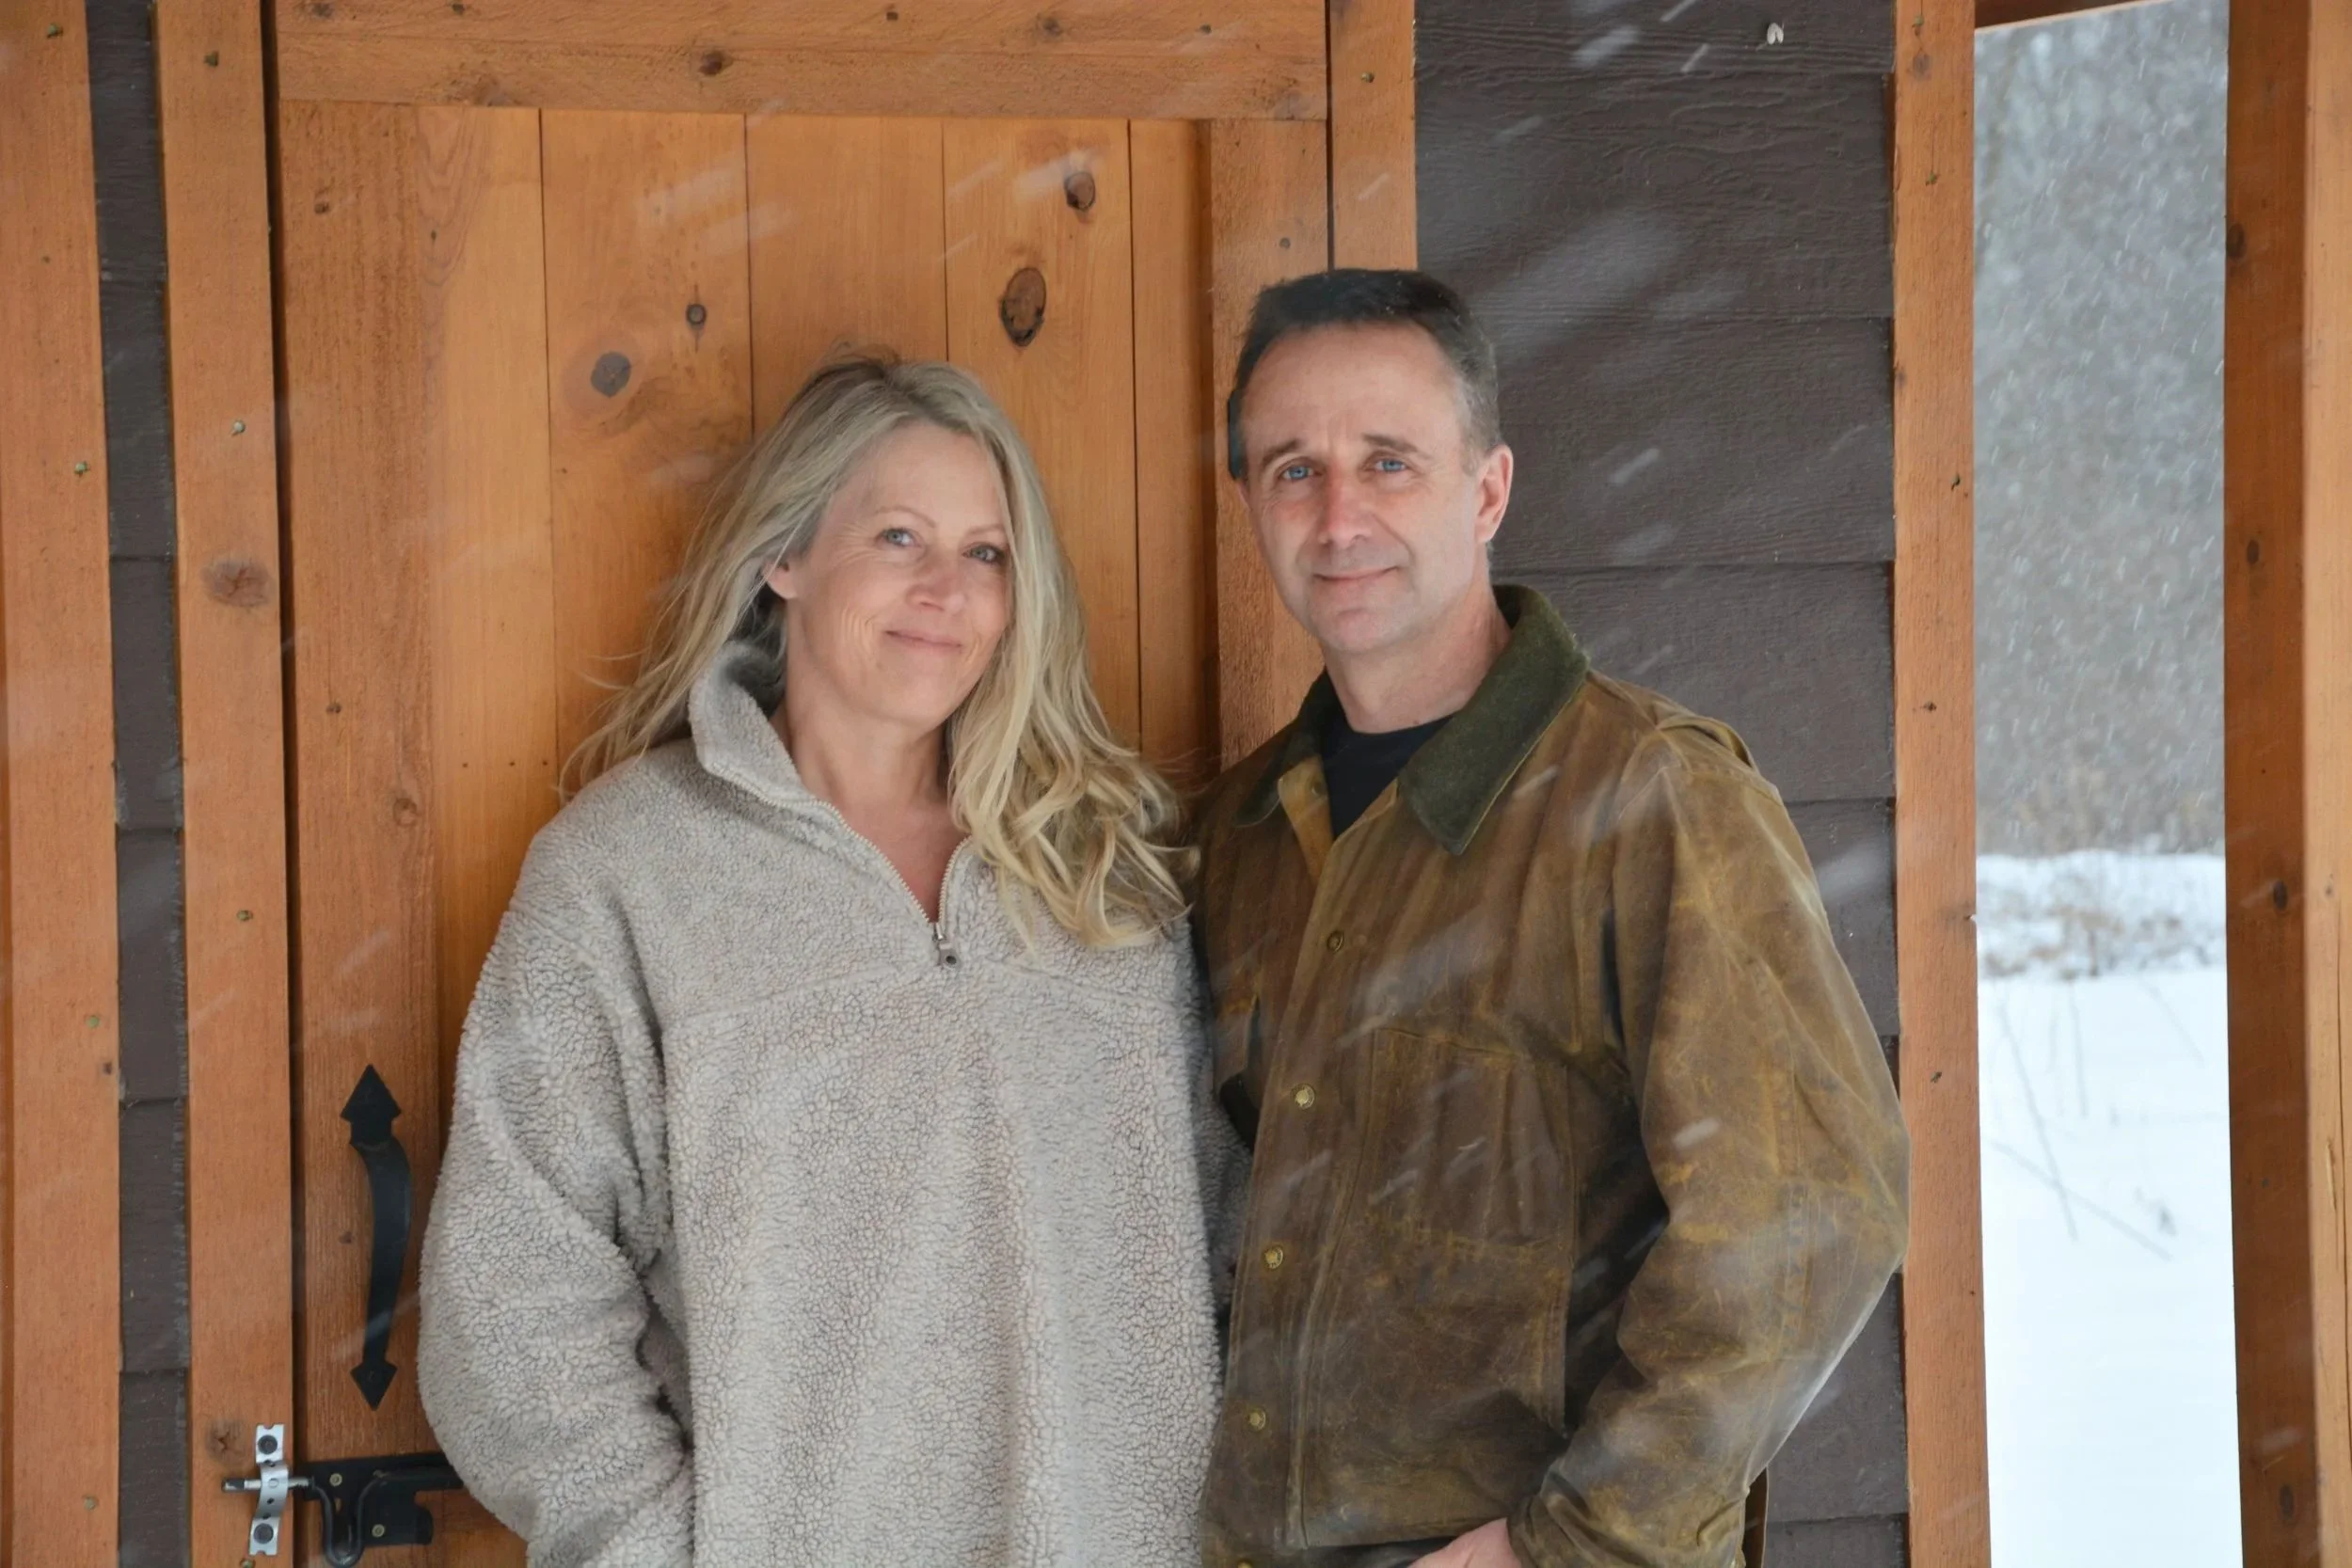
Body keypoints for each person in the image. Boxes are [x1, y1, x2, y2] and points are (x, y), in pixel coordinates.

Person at [418, 356, 1243, 1568]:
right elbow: (511, 1289)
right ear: (785, 558)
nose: (946, 592)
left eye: (986, 553)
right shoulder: (630, 872)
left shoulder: (1103, 868)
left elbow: (1230, 1242)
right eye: (899, 537)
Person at [1191, 270, 1910, 1568]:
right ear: (1250, 501)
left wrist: (1567, 1543)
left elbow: (1806, 1218)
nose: (1340, 516)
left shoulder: (1651, 799)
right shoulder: (1242, 835)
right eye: (1294, 470)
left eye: (1390, 462)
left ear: (1488, 491)